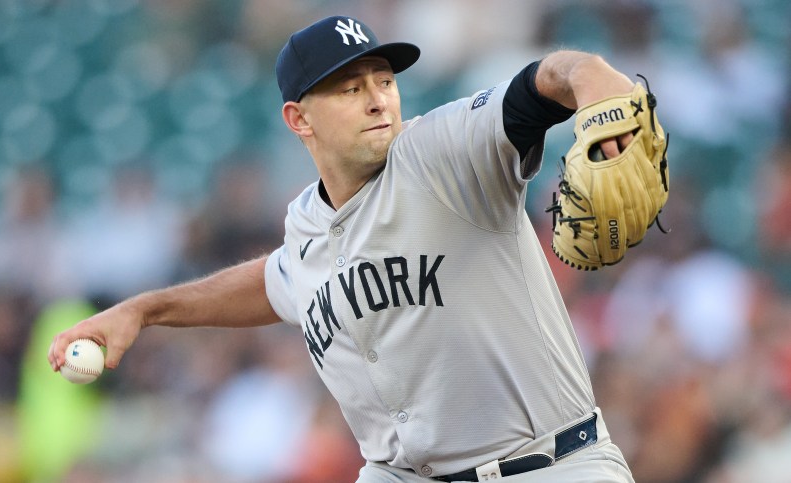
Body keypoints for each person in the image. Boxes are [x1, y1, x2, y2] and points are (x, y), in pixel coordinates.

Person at [49, 15, 639, 482]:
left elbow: (546, 82)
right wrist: (144, 310)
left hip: (549, 467)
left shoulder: (445, 152)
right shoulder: (307, 224)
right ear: (298, 119)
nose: (380, 99)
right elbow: (278, 281)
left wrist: (587, 77)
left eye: (385, 81)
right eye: (351, 88)